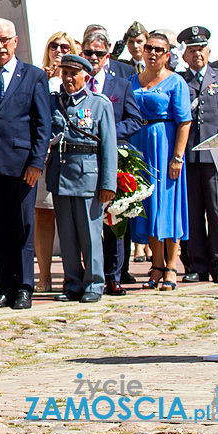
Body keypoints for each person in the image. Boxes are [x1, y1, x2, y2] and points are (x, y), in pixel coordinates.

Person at [0, 18, 52, 310]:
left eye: (5, 40)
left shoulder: (33, 76)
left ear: (16, 42)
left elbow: (43, 124)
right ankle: (4, 287)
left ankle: (24, 287)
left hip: (22, 167)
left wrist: (37, 163)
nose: (0, 46)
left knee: (23, 228)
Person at [47, 54, 118, 304]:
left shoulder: (99, 104)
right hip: (61, 174)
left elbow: (109, 146)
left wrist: (109, 183)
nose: (67, 78)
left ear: (85, 77)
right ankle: (73, 283)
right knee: (67, 235)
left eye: (73, 74)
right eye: (64, 73)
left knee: (89, 233)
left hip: (89, 177)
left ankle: (94, 283)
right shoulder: (53, 103)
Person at [128, 31, 192, 292]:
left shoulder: (176, 82)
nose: (152, 53)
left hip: (165, 147)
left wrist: (177, 157)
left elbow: (184, 121)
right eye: (149, 48)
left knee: (168, 206)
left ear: (167, 55)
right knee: (148, 206)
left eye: (158, 49)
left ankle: (172, 265)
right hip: (139, 148)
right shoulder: (132, 80)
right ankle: (155, 264)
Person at [179, 26, 218, 285]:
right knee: (192, 213)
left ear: (209, 51)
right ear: (185, 56)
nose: (197, 55)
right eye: (192, 51)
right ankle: (197, 263)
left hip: (217, 158)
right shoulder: (180, 81)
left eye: (201, 50)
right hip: (190, 158)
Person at [83, 32, 143, 295]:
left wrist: (109, 132)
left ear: (108, 56)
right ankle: (90, 273)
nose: (93, 58)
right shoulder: (77, 83)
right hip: (84, 160)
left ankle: (114, 275)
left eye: (98, 54)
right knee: (88, 220)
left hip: (115, 158)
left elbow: (135, 119)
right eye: (88, 53)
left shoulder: (121, 85)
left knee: (114, 218)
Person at [34, 31, 80, 292]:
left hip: (71, 156)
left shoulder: (75, 77)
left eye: (65, 46)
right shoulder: (38, 76)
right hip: (46, 155)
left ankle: (73, 274)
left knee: (71, 217)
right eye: (54, 45)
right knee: (43, 213)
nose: (59, 49)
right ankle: (44, 276)